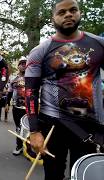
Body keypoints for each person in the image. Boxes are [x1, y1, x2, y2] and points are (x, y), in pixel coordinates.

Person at [25, 0, 104, 179]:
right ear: (53, 17)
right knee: (53, 175)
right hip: (53, 125)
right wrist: (34, 131)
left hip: (90, 126)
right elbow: (30, 92)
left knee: (86, 175)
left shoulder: (99, 44)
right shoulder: (40, 51)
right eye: (62, 12)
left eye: (73, 10)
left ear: (80, 13)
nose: (68, 14)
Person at [7, 57, 27, 155]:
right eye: (21, 63)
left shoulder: (33, 77)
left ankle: (29, 150)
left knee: (30, 128)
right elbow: (9, 93)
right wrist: (7, 104)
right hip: (17, 107)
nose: (23, 65)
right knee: (18, 127)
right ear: (18, 66)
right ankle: (19, 146)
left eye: (25, 63)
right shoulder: (13, 79)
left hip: (30, 108)